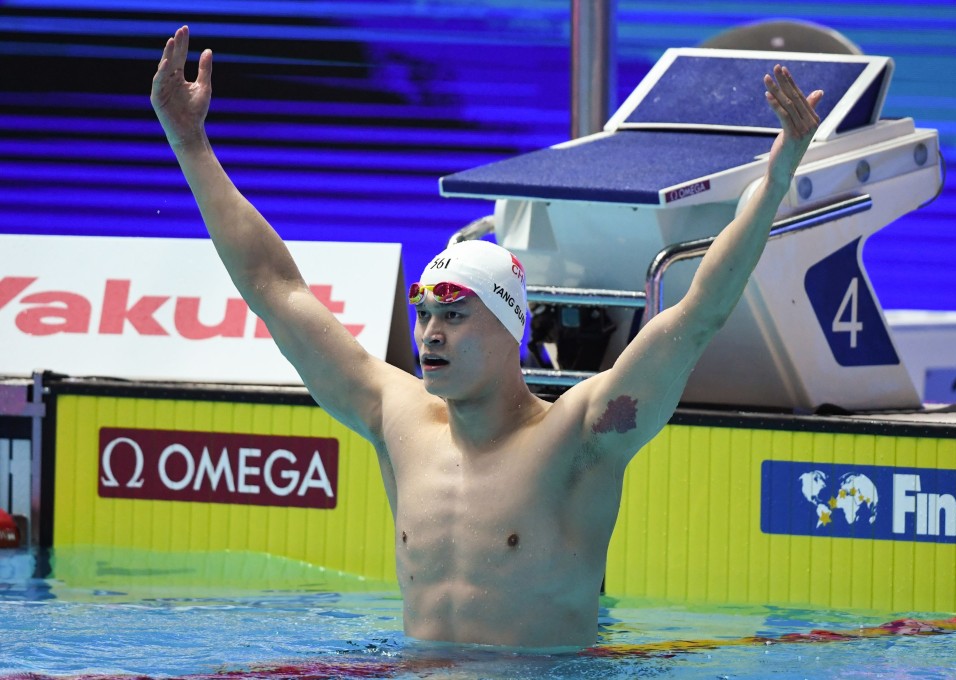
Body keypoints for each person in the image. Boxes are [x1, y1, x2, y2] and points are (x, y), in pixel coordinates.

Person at [151, 25, 823, 650]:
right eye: (422, 314)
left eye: (453, 315)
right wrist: (191, 144)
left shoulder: (580, 438)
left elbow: (697, 311)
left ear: (508, 328)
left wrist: (777, 176)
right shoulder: (396, 417)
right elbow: (276, 287)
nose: (429, 335)